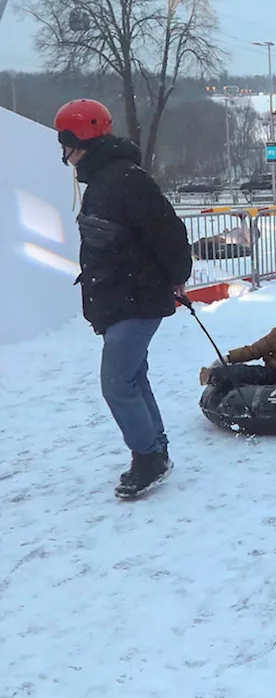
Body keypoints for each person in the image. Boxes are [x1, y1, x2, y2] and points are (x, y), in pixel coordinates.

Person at [55, 99, 192, 500]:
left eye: (63, 141)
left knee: (117, 382)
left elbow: (167, 230)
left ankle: (148, 457)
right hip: (119, 296)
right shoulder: (102, 180)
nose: (61, 152)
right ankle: (156, 448)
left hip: (138, 295)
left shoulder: (125, 179)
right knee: (132, 375)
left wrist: (179, 276)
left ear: (75, 140)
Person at [199, 296, 276, 390]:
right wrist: (228, 358)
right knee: (250, 372)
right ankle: (213, 375)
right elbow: (254, 350)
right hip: (275, 373)